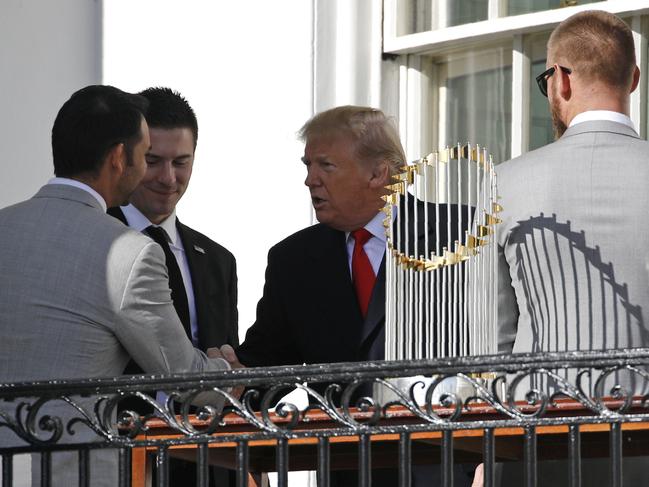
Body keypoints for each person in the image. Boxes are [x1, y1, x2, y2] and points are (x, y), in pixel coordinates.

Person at [218, 105, 476, 486]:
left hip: (447, 465)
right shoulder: (294, 260)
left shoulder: (458, 234)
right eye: (307, 165)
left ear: (378, 173)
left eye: (326, 165)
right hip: (347, 467)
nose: (310, 180)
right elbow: (268, 365)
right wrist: (227, 375)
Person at [0, 85, 230, 486]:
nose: (158, 175)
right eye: (146, 157)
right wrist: (232, 375)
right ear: (119, 158)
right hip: (74, 470)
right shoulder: (127, 250)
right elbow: (183, 377)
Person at [496, 10, 649, 486]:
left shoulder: (504, 183)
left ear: (560, 80)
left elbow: (493, 336)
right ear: (634, 79)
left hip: (536, 436)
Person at [108, 86, 238, 487]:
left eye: (182, 162)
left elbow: (224, 358)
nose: (168, 178)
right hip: (122, 458)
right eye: (153, 161)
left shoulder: (217, 259)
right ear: (126, 157)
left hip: (207, 465)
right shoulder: (97, 240)